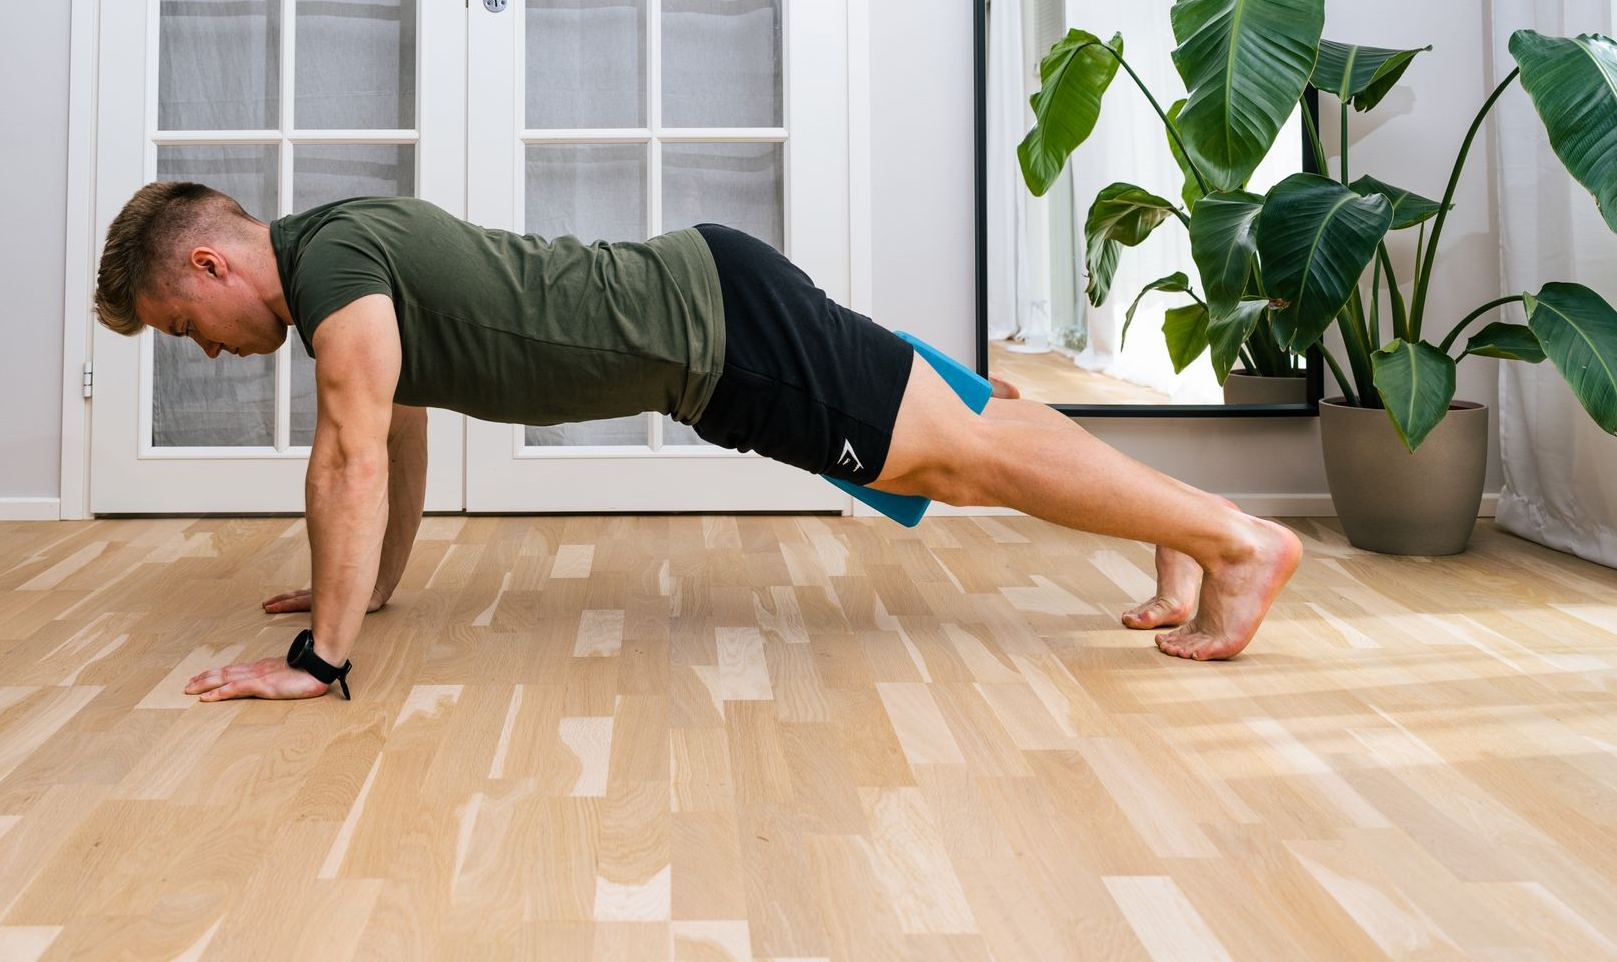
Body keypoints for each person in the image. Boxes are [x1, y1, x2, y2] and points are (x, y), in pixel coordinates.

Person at [91, 184, 1301, 701]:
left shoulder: (334, 267)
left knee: (954, 455)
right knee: (970, 423)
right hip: (713, 300)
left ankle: (1234, 540)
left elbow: (349, 455)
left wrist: (320, 656)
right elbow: (397, 438)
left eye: (184, 322)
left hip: (719, 338)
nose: (203, 347)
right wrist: (371, 587)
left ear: (211, 261)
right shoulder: (336, 254)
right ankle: (1183, 529)